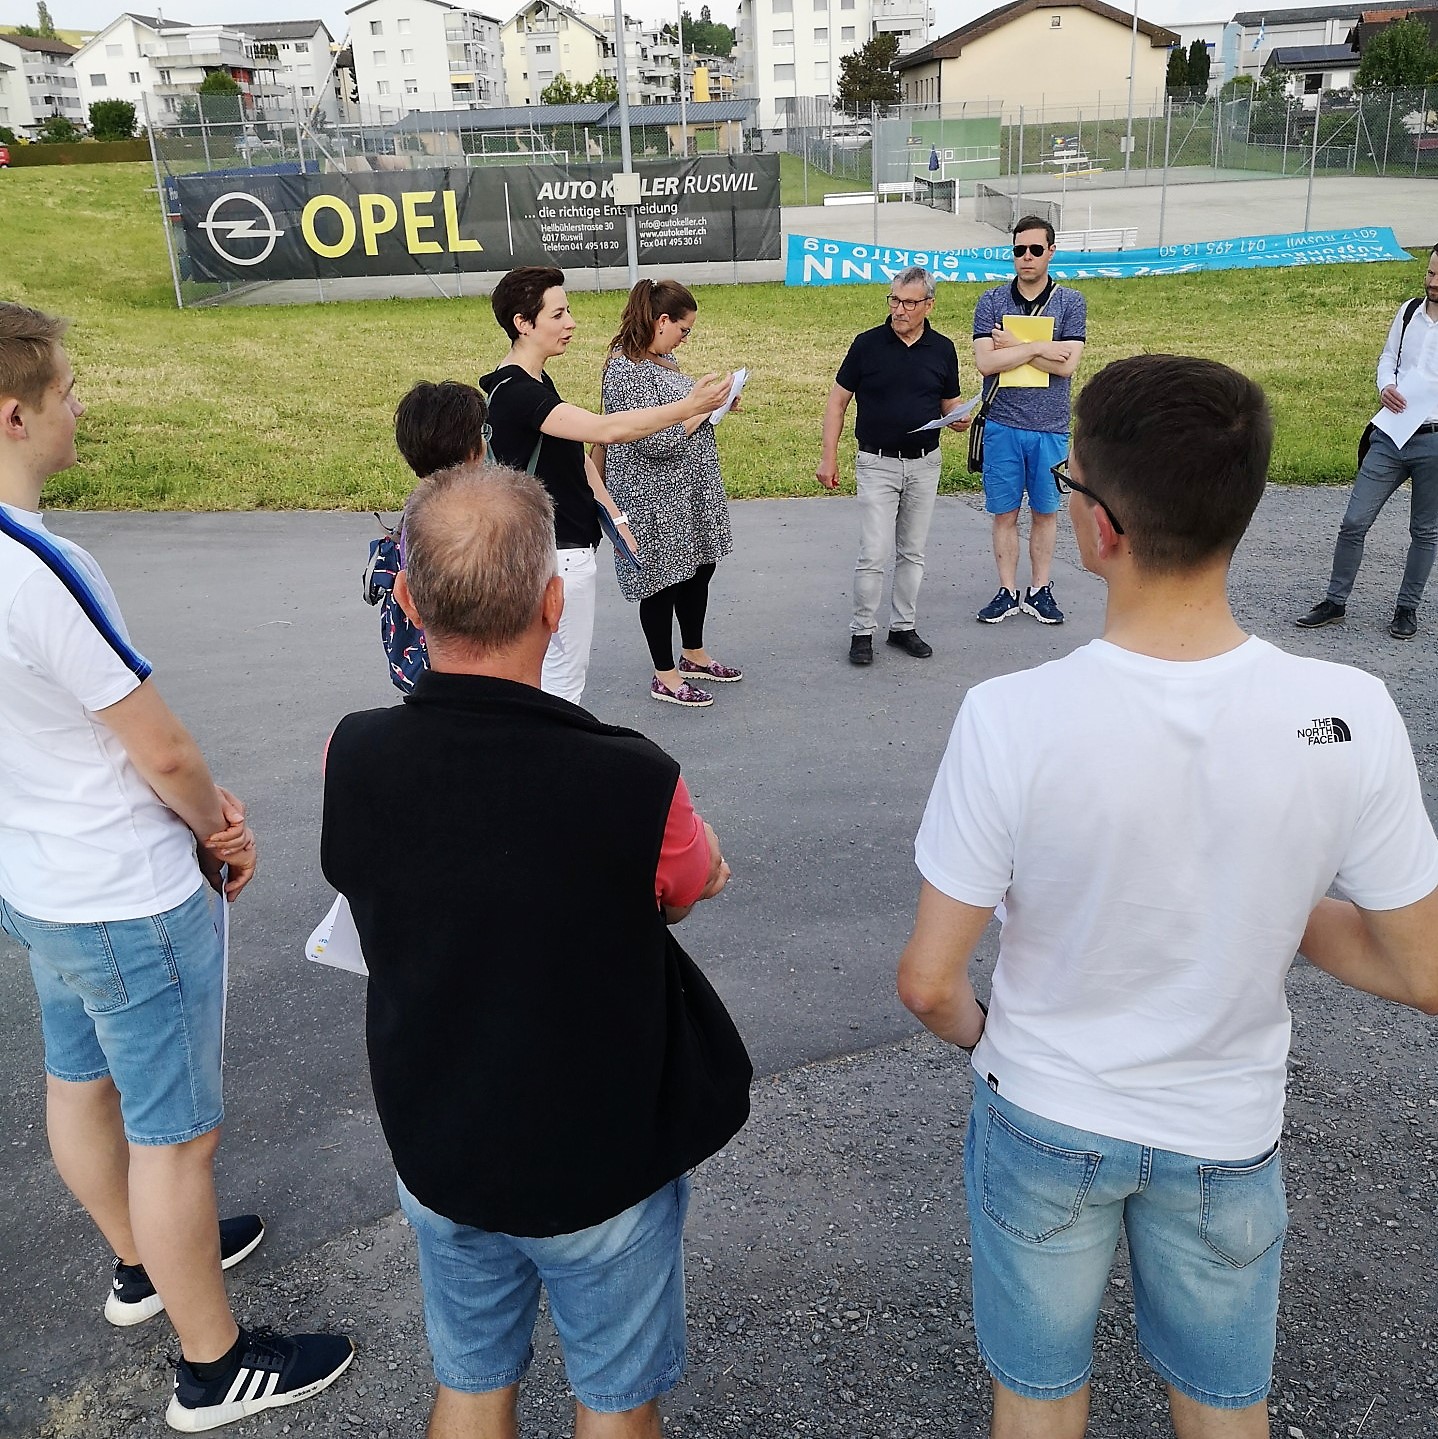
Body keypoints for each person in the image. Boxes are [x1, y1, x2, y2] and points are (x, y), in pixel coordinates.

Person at [897, 352, 1438, 1439]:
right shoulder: (1351, 712)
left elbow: (928, 983)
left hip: (1045, 1108)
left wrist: (991, 1037)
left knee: (1037, 1399)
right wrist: (1261, 901)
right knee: (1225, 1406)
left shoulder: (1009, 717)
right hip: (1225, 1128)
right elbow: (1421, 967)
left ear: (1100, 526)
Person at [322, 461, 752, 1439]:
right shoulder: (635, 777)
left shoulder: (353, 751)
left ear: (406, 598)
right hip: (600, 1150)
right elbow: (690, 883)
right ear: (554, 605)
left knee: (472, 1381)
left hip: (441, 1138)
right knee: (615, 1398)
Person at [0, 302, 353, 1430]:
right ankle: (213, 1364)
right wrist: (214, 826)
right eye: (65, 391)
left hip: (39, 885)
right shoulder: (37, 566)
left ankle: (143, 1262)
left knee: (78, 1081)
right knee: (176, 1136)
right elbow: (159, 747)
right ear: (14, 415)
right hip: (124, 893)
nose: (80, 405)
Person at [481, 266, 731, 705]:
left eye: (568, 311)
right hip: (553, 553)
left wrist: (616, 518)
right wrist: (689, 407)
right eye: (558, 314)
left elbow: (577, 456)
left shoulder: (535, 382)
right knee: (561, 681)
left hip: (562, 548)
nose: (571, 323)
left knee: (555, 675)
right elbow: (607, 430)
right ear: (523, 323)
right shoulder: (520, 393)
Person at [601, 278, 740, 709]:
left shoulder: (663, 359)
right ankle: (665, 674)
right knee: (661, 583)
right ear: (661, 320)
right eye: (683, 329)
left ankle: (693, 653)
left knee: (699, 568)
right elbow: (655, 441)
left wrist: (716, 404)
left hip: (688, 491)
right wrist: (701, 409)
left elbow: (681, 413)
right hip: (652, 497)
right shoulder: (624, 371)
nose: (685, 337)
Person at [817, 266, 966, 667]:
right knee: (873, 552)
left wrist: (958, 417)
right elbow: (837, 402)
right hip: (876, 463)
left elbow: (948, 402)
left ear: (928, 305)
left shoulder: (942, 349)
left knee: (913, 551)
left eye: (909, 303)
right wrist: (828, 456)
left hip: (925, 464)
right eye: (894, 300)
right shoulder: (867, 345)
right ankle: (862, 631)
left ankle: (903, 626)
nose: (899, 310)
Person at [1296, 245, 1438, 641]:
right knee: (1354, 521)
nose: (1432, 282)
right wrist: (1385, 385)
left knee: (1425, 531)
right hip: (1391, 434)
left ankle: (1406, 609)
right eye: (1430, 273)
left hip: (1434, 442)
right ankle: (1335, 602)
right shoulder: (1409, 312)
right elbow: (1388, 357)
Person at [971, 216, 1086, 626]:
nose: (1027, 257)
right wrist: (1041, 348)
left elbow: (1067, 366)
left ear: (1051, 251)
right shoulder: (991, 301)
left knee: (1045, 511)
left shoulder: (1070, 302)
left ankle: (1039, 589)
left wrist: (1016, 346)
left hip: (1050, 426)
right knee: (1004, 513)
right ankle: (1006, 590)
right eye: (1019, 250)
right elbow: (986, 362)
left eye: (1036, 250)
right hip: (1001, 423)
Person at [367, 379, 493, 692]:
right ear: (474, 451)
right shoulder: (465, 518)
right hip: (463, 667)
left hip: (427, 662)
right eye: (483, 433)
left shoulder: (418, 506)